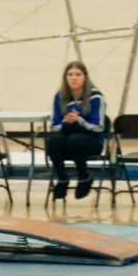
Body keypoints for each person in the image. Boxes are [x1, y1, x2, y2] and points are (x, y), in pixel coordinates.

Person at [45, 61, 106, 200]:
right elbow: (54, 126)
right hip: (67, 140)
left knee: (75, 139)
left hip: (91, 141)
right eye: (70, 74)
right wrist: (66, 122)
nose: (73, 78)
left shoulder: (96, 97)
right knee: (53, 140)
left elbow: (99, 127)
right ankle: (62, 178)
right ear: (65, 77)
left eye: (78, 74)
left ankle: (84, 176)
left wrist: (79, 120)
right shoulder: (60, 96)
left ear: (85, 77)